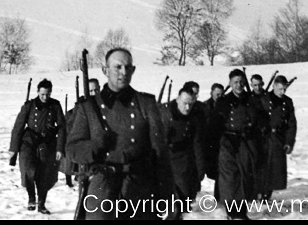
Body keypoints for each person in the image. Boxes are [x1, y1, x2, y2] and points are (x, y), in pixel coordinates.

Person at [66, 48, 175, 220]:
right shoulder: (88, 107)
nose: (124, 72)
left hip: (139, 186)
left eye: (128, 67)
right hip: (102, 184)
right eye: (117, 67)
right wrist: (93, 147)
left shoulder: (146, 104)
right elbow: (72, 149)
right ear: (105, 70)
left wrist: (168, 197)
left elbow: (160, 153)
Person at [211, 68, 266, 220]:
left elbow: (262, 120)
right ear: (230, 83)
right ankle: (232, 212)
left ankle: (241, 211)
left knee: (245, 176)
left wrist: (254, 129)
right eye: (235, 82)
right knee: (230, 178)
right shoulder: (223, 101)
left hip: (247, 143)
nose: (239, 85)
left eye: (241, 82)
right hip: (227, 143)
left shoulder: (253, 100)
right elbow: (214, 124)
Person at [9, 79, 66, 214]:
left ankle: (41, 204)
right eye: (42, 95)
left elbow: (62, 128)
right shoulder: (29, 105)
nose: (45, 97)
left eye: (47, 94)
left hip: (47, 142)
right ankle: (31, 198)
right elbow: (18, 126)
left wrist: (59, 148)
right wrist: (13, 148)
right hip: (28, 141)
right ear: (38, 92)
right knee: (29, 170)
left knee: (44, 175)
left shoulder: (55, 105)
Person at [161, 86, 205, 219]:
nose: (187, 107)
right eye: (184, 103)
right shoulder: (165, 114)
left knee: (185, 197)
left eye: (190, 104)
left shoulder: (194, 117)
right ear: (177, 99)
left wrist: (200, 167)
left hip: (184, 162)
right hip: (165, 161)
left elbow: (197, 143)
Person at [257, 75, 296, 201]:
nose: (282, 92)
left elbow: (291, 123)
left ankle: (267, 195)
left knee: (275, 169)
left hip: (278, 139)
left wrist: (289, 141)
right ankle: (259, 193)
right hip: (263, 138)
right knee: (262, 167)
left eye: (284, 89)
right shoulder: (263, 99)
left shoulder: (287, 102)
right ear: (273, 86)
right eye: (280, 89)